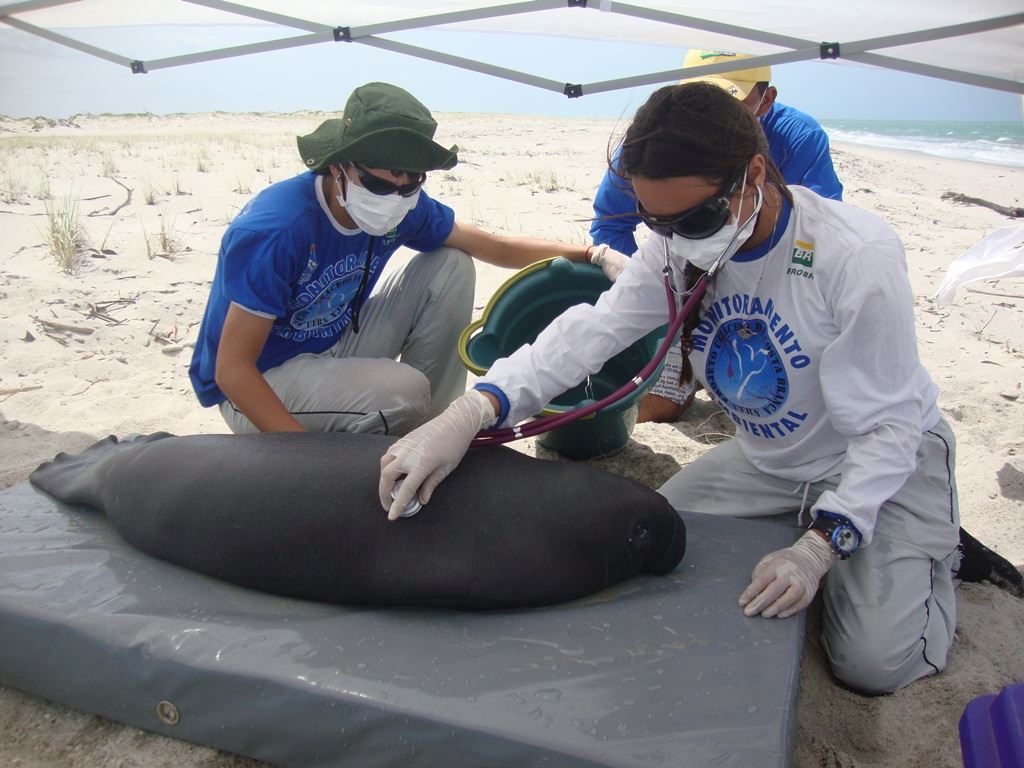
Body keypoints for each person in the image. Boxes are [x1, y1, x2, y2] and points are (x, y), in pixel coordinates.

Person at [378, 81, 960, 695]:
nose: (678, 241)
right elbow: (590, 333)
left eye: (696, 218)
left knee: (870, 665)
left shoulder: (854, 256)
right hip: (772, 461)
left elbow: (890, 428)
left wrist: (819, 548)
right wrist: (474, 409)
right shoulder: (675, 247)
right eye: (656, 221)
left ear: (754, 174)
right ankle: (832, 539)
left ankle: (933, 552)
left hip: (880, 462)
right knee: (647, 541)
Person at [189, 82, 593, 435]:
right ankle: (395, 440)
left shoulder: (401, 204)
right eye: (378, 184)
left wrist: (590, 253)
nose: (393, 198)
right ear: (338, 167)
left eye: (410, 183)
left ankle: (436, 430)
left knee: (452, 265)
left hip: (333, 341)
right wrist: (307, 459)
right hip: (258, 384)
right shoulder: (277, 229)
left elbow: (496, 247)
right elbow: (233, 371)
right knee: (405, 391)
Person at [589, 50, 844, 424]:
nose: (710, 118)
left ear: (766, 100)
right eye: (700, 99)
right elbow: (611, 225)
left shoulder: (799, 139)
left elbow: (818, 239)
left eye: (731, 101)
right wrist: (651, 295)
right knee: (661, 402)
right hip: (682, 287)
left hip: (769, 300)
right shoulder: (654, 142)